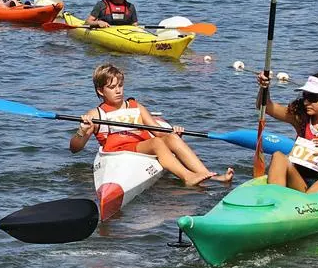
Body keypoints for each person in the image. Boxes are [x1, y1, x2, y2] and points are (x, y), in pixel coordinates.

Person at [70, 64, 233, 186]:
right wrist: (82, 131)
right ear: (101, 91)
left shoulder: (136, 107)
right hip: (116, 153)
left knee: (170, 138)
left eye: (120, 85)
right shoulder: (95, 115)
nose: (118, 91)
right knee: (156, 143)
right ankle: (187, 176)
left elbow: (159, 133)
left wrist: (175, 133)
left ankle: (209, 176)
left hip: (140, 147)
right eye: (112, 87)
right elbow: (75, 148)